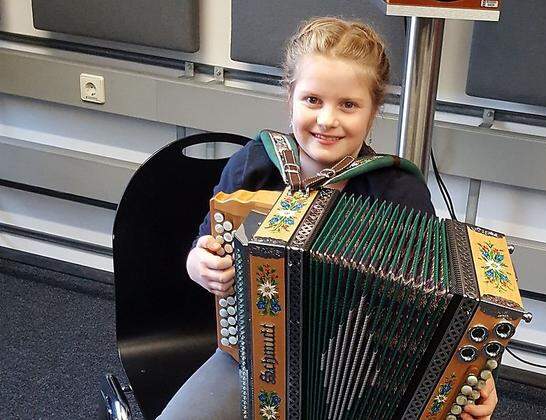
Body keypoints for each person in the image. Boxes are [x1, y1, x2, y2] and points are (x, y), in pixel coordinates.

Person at [158, 17, 497, 420]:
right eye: (313, 100)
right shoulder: (254, 167)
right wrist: (200, 265)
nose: (327, 120)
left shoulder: (396, 189)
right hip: (256, 359)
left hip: (367, 375)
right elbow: (204, 249)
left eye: (349, 105)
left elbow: (438, 299)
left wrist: (473, 374)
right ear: (290, 98)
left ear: (373, 113)